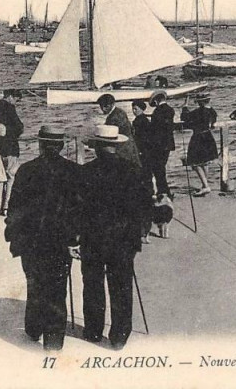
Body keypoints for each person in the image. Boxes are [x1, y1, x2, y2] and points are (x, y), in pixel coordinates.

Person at [3, 126, 81, 351]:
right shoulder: (74, 171)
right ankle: (54, 343)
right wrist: (75, 239)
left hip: (31, 242)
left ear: (40, 144)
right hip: (60, 242)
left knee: (35, 285)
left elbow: (14, 209)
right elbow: (80, 211)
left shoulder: (26, 170)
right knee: (57, 289)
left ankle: (34, 328)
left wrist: (15, 238)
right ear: (62, 145)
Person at [77, 125, 148, 349]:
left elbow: (76, 208)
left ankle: (93, 331)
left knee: (93, 284)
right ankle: (119, 336)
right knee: (121, 286)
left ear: (97, 147)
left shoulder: (85, 172)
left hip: (93, 237)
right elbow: (142, 206)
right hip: (123, 238)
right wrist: (140, 233)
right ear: (116, 146)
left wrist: (75, 235)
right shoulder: (133, 170)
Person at [0, 89, 24, 215]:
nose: (16, 102)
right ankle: (6, 207)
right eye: (16, 99)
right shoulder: (10, 107)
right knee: (11, 178)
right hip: (11, 148)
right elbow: (19, 127)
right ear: (10, 96)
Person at [181, 92, 218, 196]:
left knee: (194, 163)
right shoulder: (212, 111)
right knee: (205, 162)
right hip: (208, 137)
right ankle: (204, 184)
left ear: (200, 102)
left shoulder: (200, 111)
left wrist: (185, 106)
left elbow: (185, 117)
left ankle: (206, 186)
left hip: (198, 137)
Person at [131, 100, 154, 243]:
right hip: (146, 154)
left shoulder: (140, 122)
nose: (134, 111)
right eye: (133, 109)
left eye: (136, 109)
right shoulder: (143, 120)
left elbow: (140, 139)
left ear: (141, 109)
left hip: (142, 154)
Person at [96, 94, 141, 168]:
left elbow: (108, 136)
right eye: (101, 106)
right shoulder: (119, 112)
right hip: (128, 148)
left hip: (123, 151)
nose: (103, 109)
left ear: (112, 104)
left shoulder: (114, 117)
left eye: (106, 106)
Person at [148, 91, 175, 199]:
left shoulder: (157, 112)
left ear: (156, 101)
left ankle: (164, 192)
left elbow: (154, 130)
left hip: (158, 145)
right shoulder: (170, 110)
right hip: (168, 143)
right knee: (161, 168)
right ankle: (164, 192)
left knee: (158, 169)